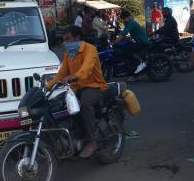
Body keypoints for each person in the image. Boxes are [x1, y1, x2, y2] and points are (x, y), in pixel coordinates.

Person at [46, 26, 107, 158]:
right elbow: (60, 74)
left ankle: (92, 141)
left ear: (77, 38)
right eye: (64, 40)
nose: (65, 43)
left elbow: (86, 68)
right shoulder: (69, 54)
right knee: (57, 105)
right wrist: (47, 87)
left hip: (94, 87)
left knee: (85, 103)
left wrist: (74, 76)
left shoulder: (90, 49)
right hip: (76, 88)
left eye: (68, 39)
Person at [116, 10, 150, 74]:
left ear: (127, 17)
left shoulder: (131, 23)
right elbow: (124, 32)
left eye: (123, 18)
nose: (123, 20)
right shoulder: (128, 23)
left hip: (142, 42)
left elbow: (124, 33)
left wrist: (115, 42)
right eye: (122, 18)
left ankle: (140, 63)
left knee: (127, 51)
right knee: (127, 47)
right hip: (139, 41)